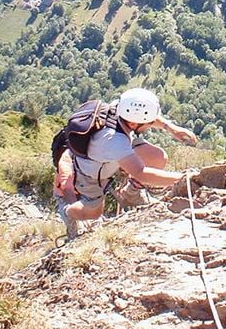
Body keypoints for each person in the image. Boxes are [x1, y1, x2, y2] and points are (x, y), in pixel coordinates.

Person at [56, 87, 197, 238]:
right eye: (149, 123)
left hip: (109, 154)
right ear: (133, 124)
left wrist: (171, 128)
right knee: (94, 212)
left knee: (157, 157)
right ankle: (67, 213)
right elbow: (140, 172)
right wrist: (184, 179)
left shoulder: (121, 108)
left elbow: (143, 117)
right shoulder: (114, 140)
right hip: (89, 173)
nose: (150, 125)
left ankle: (130, 194)